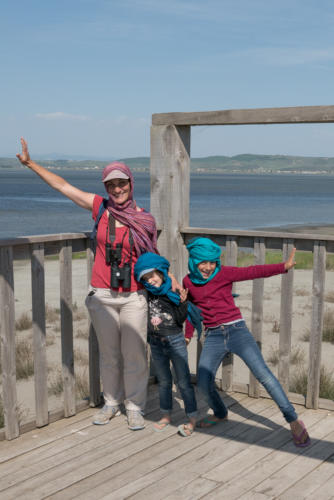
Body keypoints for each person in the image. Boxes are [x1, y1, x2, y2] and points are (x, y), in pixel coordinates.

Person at [16, 138, 162, 431]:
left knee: (134, 354)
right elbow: (63, 187)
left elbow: (153, 258)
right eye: (111, 185)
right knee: (109, 354)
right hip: (102, 294)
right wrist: (31, 164)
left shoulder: (144, 218)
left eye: (122, 184)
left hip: (134, 295)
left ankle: (134, 407)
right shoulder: (100, 208)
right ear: (106, 188)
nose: (117, 189)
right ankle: (111, 402)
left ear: (131, 184)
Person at [183, 237, 311, 448]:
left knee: (264, 376)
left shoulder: (224, 273)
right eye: (202, 262)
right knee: (204, 383)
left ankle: (293, 420)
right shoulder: (188, 282)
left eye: (212, 262)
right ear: (194, 261)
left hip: (237, 331)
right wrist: (188, 334)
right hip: (213, 336)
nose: (208, 267)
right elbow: (191, 310)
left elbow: (253, 271)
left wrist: (284, 267)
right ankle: (221, 413)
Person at [134, 252, 198, 437]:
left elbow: (179, 320)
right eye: (145, 278)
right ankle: (166, 415)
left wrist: (183, 303)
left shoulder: (173, 292)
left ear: (161, 272)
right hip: (156, 343)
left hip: (175, 341)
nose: (150, 280)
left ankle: (192, 417)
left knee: (184, 381)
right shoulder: (147, 292)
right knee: (164, 381)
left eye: (152, 275)